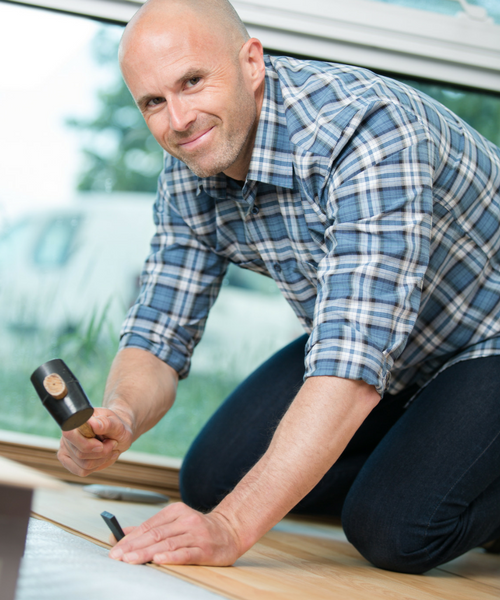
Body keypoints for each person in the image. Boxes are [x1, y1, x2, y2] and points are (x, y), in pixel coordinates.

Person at [57, 0, 500, 573]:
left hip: (485, 335)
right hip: (407, 340)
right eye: (154, 102)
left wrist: (231, 528)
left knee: (393, 528)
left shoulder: (369, 133)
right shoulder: (191, 169)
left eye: (192, 81)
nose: (179, 118)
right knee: (212, 479)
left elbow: (351, 361)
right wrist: (119, 416)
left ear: (252, 62)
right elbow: (159, 332)